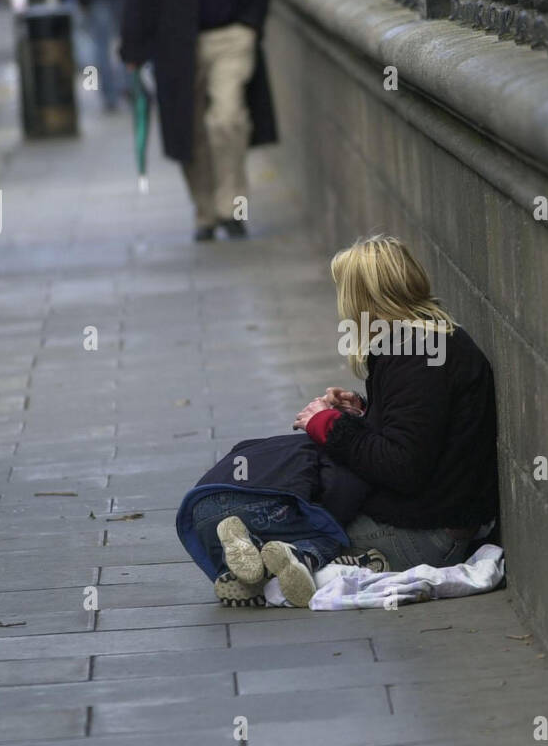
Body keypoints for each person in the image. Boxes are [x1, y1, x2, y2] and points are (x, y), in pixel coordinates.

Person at [295, 236, 501, 571]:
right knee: (296, 520)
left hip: (427, 536)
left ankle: (311, 565)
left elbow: (401, 466)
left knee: (293, 525)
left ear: (361, 299)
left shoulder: (417, 353)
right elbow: (420, 430)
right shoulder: (423, 341)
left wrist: (329, 426)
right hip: (429, 520)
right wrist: (362, 413)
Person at [120, 0, 277, 242]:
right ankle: (205, 212)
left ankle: (232, 208)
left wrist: (250, 25)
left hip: (232, 37)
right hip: (177, 47)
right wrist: (134, 47)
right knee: (189, 130)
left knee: (227, 118)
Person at [176, 433, 386, 608]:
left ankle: (245, 571)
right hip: (262, 502)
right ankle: (299, 555)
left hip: (202, 509)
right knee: (328, 538)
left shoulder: (259, 447)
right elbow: (339, 495)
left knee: (245, 554)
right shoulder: (329, 451)